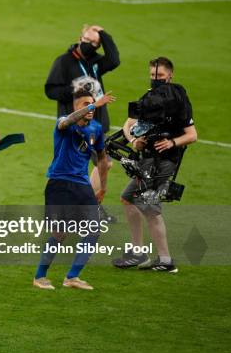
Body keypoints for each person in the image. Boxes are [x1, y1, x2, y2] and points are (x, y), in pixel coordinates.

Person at [112, 57, 197, 273]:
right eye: (152, 76)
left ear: (170, 75)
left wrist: (171, 142)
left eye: (159, 76)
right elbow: (129, 123)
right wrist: (134, 140)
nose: (155, 79)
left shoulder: (178, 101)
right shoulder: (149, 99)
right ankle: (138, 253)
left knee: (150, 208)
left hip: (165, 163)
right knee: (128, 199)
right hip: (147, 161)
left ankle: (165, 260)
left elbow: (192, 135)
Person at [33, 90, 116, 291]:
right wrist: (93, 106)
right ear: (76, 107)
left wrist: (103, 186)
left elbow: (101, 157)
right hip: (59, 183)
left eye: (93, 103)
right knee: (61, 233)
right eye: (85, 104)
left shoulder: (96, 128)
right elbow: (65, 122)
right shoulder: (64, 123)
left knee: (94, 230)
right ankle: (39, 276)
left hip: (82, 185)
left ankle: (72, 277)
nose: (91, 107)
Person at [45, 24, 120, 220]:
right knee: (80, 166)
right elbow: (50, 90)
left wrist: (103, 33)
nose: (91, 46)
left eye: (96, 43)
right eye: (88, 41)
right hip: (74, 124)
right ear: (80, 38)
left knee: (103, 163)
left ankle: (88, 208)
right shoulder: (64, 62)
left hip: (96, 122)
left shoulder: (94, 62)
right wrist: (75, 91)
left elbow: (114, 59)